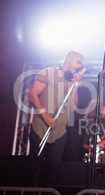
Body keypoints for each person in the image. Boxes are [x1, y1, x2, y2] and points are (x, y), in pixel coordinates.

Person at [29, 51, 85, 185]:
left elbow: (73, 107)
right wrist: (45, 116)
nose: (80, 66)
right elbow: (33, 95)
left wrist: (75, 86)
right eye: (79, 62)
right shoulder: (48, 72)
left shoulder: (72, 82)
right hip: (40, 129)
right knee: (34, 171)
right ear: (69, 60)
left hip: (59, 133)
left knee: (53, 175)